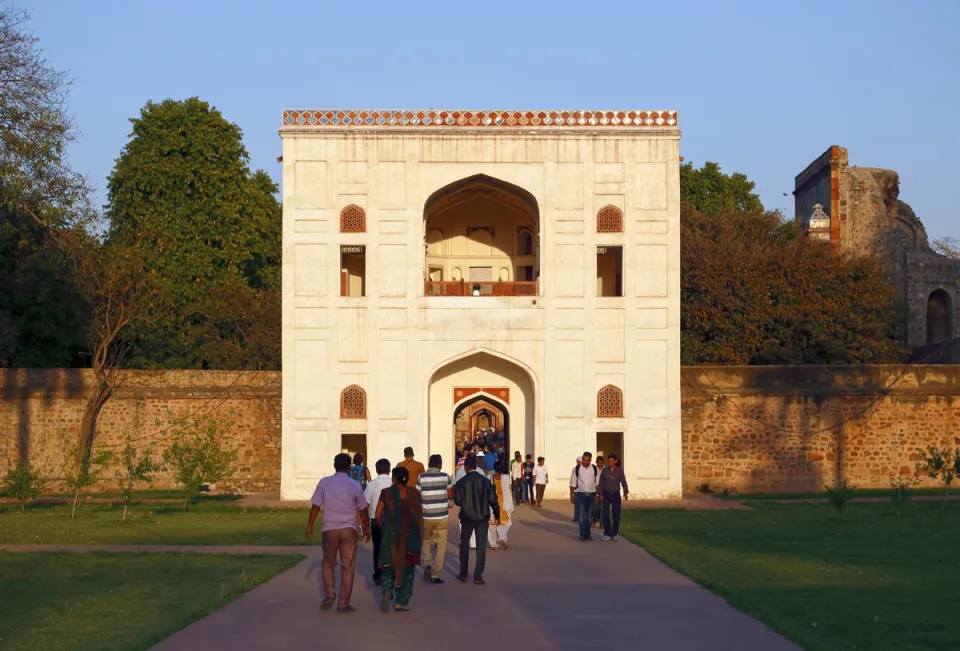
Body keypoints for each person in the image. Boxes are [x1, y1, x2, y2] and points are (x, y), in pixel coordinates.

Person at [306, 453, 371, 614]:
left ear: (334, 465)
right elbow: (363, 509)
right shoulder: (354, 485)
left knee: (328, 563)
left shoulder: (325, 482)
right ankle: (343, 604)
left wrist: (309, 525)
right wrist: (367, 528)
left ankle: (329, 595)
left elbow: (315, 506)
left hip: (329, 529)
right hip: (349, 529)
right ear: (349, 467)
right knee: (347, 567)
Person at [375, 466, 423, 613]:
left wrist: (384, 526)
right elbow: (419, 515)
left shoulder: (387, 493)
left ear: (393, 478)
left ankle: (387, 590)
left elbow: (377, 514)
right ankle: (400, 603)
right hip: (411, 538)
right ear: (407, 479)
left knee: (388, 569)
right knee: (408, 572)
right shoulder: (414, 493)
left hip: (390, 538)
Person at [453, 454, 500, 584]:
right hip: (482, 517)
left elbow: (457, 500)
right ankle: (478, 575)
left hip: (467, 517)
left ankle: (463, 574)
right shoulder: (485, 481)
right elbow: (493, 500)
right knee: (481, 546)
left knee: (464, 545)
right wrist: (497, 515)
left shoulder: (461, 482)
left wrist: (465, 501)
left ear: (466, 468)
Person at [416, 454, 453, 584]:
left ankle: (427, 563)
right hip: (442, 516)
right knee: (441, 545)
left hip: (426, 516)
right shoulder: (445, 476)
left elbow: (417, 494)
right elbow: (449, 495)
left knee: (426, 542)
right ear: (439, 465)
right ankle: (435, 575)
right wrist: (450, 503)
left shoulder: (421, 477)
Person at [364, 458, 393, 586]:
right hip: (392, 520)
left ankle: (378, 572)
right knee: (391, 546)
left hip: (375, 520)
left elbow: (365, 503)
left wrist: (364, 524)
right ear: (389, 469)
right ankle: (390, 572)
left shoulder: (372, 484)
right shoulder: (394, 482)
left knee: (377, 547)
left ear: (376, 470)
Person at [569, 452, 599, 542]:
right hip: (580, 495)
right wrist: (572, 495)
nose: (585, 462)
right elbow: (572, 483)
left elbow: (597, 483)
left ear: (590, 460)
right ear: (582, 460)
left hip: (591, 495)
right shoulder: (577, 469)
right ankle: (582, 535)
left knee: (589, 517)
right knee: (581, 517)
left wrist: (597, 494)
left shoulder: (594, 468)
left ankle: (588, 534)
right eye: (584, 461)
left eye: (587, 461)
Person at [598, 453, 629, 541]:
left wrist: (625, 492)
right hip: (606, 494)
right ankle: (607, 533)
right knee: (605, 514)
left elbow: (623, 482)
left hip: (615, 494)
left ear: (615, 461)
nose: (610, 462)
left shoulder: (619, 471)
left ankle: (614, 534)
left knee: (616, 514)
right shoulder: (605, 471)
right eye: (609, 461)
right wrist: (600, 494)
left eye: (612, 461)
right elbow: (601, 483)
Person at [487, 462, 514, 550]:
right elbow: (508, 491)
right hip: (503, 503)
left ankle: (494, 544)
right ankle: (502, 537)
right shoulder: (506, 478)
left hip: (492, 502)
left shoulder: (490, 478)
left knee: (492, 525)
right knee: (505, 523)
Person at [592, 456, 607, 529]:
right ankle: (594, 521)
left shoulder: (606, 470)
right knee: (595, 508)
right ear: (596, 462)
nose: (600, 465)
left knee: (603, 508)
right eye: (599, 463)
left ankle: (602, 524)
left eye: (602, 463)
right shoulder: (594, 469)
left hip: (604, 490)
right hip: (595, 490)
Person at [571, 456, 583, 522]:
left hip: (583, 489)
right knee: (577, 504)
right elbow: (573, 480)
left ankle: (580, 517)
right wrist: (572, 490)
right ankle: (577, 517)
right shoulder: (575, 469)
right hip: (577, 489)